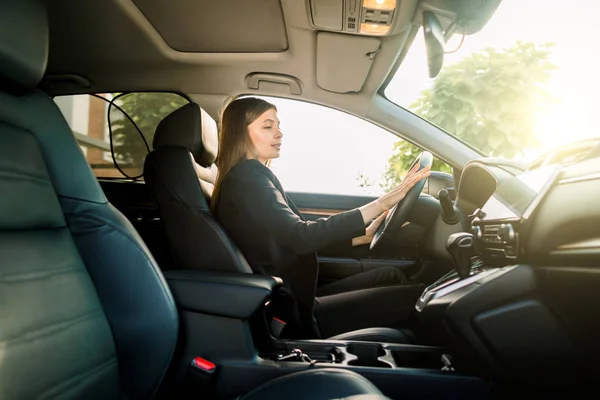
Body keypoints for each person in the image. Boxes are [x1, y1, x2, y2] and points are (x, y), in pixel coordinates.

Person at [212, 97, 431, 336]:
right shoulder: (248, 176)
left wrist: (362, 235)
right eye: (268, 126)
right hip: (295, 310)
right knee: (422, 297)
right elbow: (301, 236)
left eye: (278, 125)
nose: (279, 133)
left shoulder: (246, 176)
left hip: (299, 294)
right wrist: (382, 202)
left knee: (390, 275)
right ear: (240, 134)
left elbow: (289, 233)